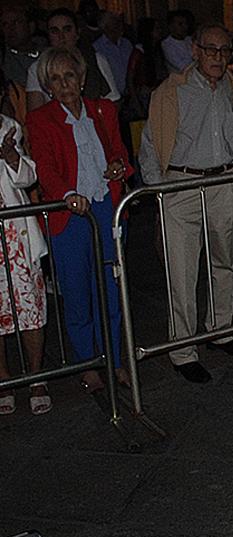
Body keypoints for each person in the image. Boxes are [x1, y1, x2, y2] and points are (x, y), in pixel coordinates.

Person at [139, 24, 233, 384]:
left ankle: (220, 331)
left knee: (224, 262)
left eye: (224, 51)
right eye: (210, 50)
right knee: (182, 271)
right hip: (182, 183)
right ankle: (184, 349)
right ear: (195, 50)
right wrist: (161, 188)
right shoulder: (170, 92)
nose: (218, 58)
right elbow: (149, 142)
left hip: (225, 182)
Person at [26, 47, 134, 397]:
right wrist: (67, 194)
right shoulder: (41, 120)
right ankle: (88, 363)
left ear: (82, 78)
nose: (64, 85)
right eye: (54, 80)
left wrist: (119, 165)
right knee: (77, 295)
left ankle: (114, 359)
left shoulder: (104, 110)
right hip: (68, 217)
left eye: (69, 76)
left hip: (106, 208)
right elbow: (44, 167)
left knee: (111, 290)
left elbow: (121, 152)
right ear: (47, 86)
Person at [0, 89, 49, 416]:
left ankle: (37, 377)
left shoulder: (8, 128)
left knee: (30, 307)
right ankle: (3, 380)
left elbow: (30, 176)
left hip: (15, 237)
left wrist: (13, 158)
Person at [26, 8, 120, 112]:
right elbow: (36, 114)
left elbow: (113, 102)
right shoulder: (37, 67)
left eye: (67, 30)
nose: (61, 36)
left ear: (77, 33)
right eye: (54, 31)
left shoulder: (96, 59)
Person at [93, 11, 133, 98]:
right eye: (115, 23)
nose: (119, 25)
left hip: (131, 94)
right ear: (106, 27)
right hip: (112, 97)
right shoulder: (97, 48)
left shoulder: (127, 44)